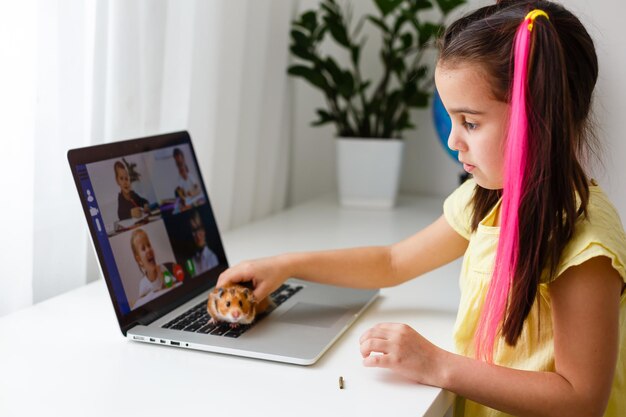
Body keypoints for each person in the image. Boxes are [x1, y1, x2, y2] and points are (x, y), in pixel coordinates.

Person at [217, 1, 626, 416]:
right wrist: (285, 265)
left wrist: (437, 364)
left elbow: (581, 399)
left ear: (539, 119)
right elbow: (393, 262)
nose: (452, 141)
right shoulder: (487, 198)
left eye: (469, 122)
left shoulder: (584, 248)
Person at [130, 228, 179, 308]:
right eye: (143, 248)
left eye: (149, 245)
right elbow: (143, 304)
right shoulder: (143, 284)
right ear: (139, 260)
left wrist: (167, 285)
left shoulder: (162, 270)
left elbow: (173, 288)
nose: (148, 249)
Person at [189, 210, 219, 276]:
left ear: (204, 230)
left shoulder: (213, 258)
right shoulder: (191, 261)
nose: (197, 235)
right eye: (194, 230)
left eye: (199, 228)